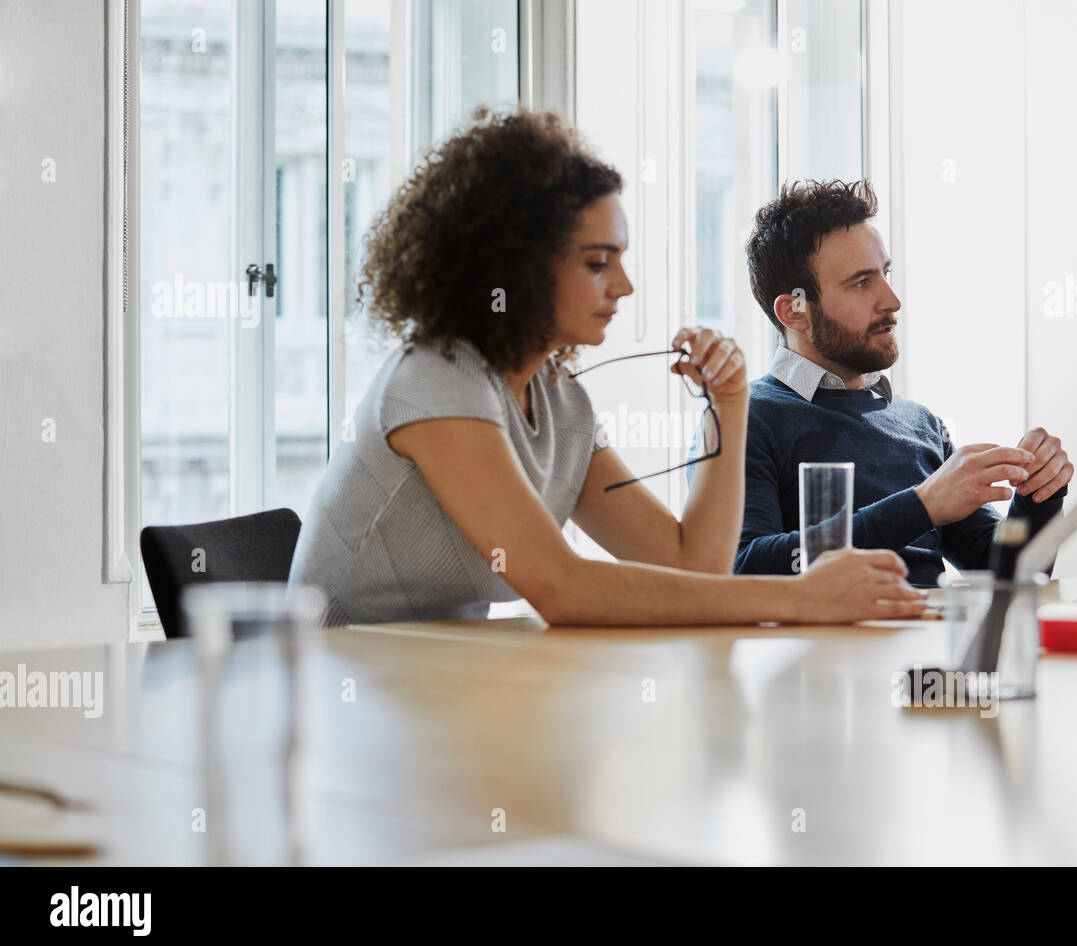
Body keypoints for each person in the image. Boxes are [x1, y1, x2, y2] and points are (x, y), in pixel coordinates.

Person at [288, 110, 928, 627]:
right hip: (337, 692)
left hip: (433, 686)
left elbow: (690, 566)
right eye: (597, 262)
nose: (623, 285)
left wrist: (727, 406)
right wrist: (799, 598)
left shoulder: (561, 402)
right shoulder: (435, 380)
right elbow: (562, 588)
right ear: (512, 267)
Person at [730, 179, 1074, 585]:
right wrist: (922, 506)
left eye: (885, 274)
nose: (893, 301)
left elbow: (1009, 573)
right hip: (831, 649)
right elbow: (746, 566)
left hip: (930, 645)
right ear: (794, 312)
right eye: (862, 282)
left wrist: (1038, 498)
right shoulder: (746, 418)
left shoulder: (920, 424)